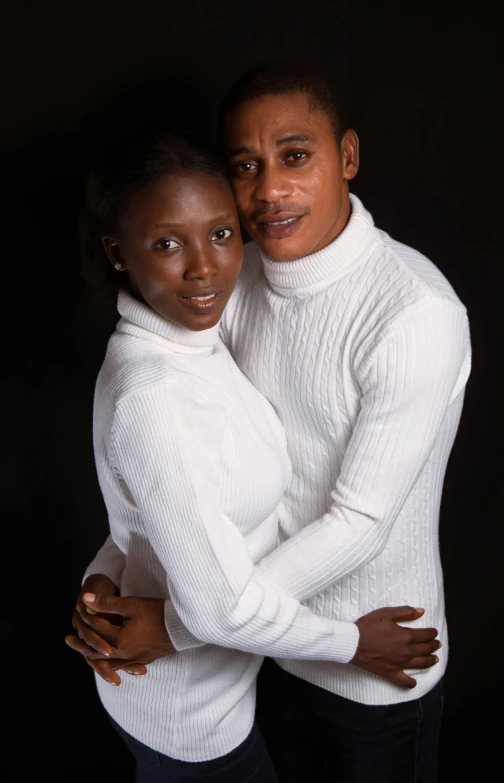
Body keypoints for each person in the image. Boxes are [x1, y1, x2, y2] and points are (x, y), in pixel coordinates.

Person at [69, 62, 471, 781]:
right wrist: (109, 579)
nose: (269, 189)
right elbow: (179, 471)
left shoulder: (414, 314)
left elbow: (359, 519)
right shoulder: (228, 277)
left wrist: (177, 620)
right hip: (261, 654)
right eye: (245, 166)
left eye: (295, 156)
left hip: (373, 655)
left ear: (346, 156)